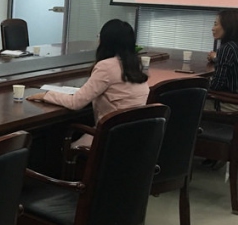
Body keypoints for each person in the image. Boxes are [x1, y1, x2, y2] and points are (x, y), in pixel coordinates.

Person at [27, 19, 149, 147]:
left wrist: (46, 95)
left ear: (105, 42)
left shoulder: (106, 67)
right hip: (134, 138)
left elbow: (75, 103)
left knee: (59, 144)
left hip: (110, 139)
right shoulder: (135, 64)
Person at [206, 9, 238, 111]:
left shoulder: (227, 48)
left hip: (231, 103)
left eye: (216, 24)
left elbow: (217, 85)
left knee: (187, 99)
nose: (212, 28)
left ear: (228, 26)